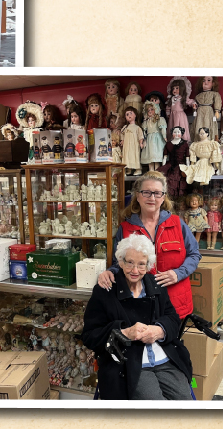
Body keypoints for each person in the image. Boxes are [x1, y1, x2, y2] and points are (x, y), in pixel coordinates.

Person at [81, 234, 194, 399]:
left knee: (186, 403)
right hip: (130, 364)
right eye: (130, 263)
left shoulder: (156, 285)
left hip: (164, 358)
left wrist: (160, 330)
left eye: (141, 264)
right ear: (120, 261)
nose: (135, 270)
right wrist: (124, 333)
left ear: (148, 265)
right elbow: (89, 335)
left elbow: (173, 319)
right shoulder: (105, 291)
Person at [97, 171, 200, 319]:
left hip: (176, 303)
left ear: (163, 197)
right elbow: (118, 263)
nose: (152, 198)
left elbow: (195, 254)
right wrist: (110, 272)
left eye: (157, 193)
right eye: (146, 192)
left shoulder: (178, 224)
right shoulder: (126, 228)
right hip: (139, 304)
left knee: (171, 341)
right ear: (137, 196)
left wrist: (178, 273)